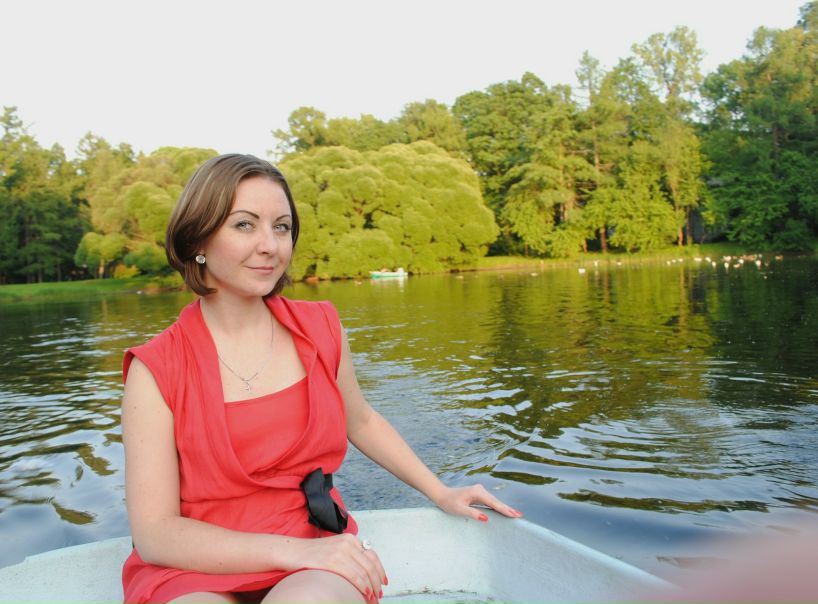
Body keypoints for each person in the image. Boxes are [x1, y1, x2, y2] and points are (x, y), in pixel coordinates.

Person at [120, 153, 522, 604]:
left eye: (282, 227)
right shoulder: (154, 369)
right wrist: (289, 552)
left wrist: (441, 491)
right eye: (245, 225)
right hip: (195, 563)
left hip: (313, 546)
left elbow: (361, 420)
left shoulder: (321, 329)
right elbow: (155, 533)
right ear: (198, 237)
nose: (270, 245)